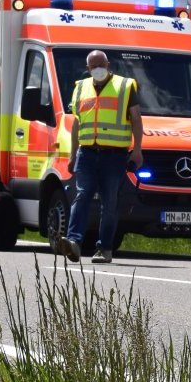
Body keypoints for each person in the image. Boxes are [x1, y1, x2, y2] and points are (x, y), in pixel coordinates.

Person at [56, 49, 143, 265]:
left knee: (109, 203)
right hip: (86, 153)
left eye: (101, 64)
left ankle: (104, 248)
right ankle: (74, 241)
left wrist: (138, 149)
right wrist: (72, 154)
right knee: (82, 195)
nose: (98, 69)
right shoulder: (80, 88)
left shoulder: (125, 86)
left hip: (114, 155)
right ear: (88, 69)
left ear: (108, 63)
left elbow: (136, 119)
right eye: (93, 66)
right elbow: (77, 123)